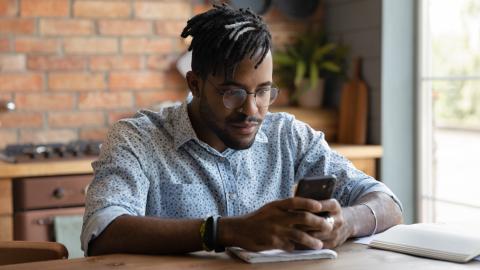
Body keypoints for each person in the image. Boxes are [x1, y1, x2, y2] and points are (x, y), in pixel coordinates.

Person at [81, 4, 403, 256]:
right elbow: (102, 231)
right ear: (195, 84)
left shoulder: (287, 136)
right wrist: (224, 231)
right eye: (232, 92)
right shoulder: (137, 139)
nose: (251, 110)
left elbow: (387, 203)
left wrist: (346, 222)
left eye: (263, 91)